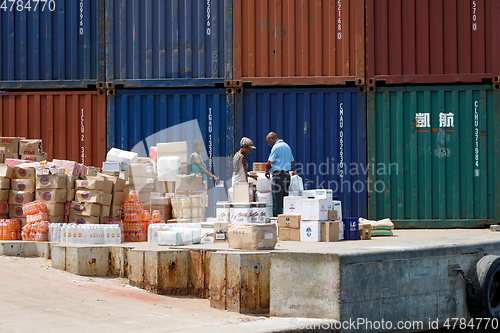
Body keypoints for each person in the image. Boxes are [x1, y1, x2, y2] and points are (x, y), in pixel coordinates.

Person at [265, 132, 295, 217]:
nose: (269, 144)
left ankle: (277, 222)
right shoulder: (287, 146)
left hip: (278, 176)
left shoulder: (276, 147)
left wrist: (267, 171)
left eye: (269, 141)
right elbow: (292, 163)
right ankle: (285, 221)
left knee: (277, 201)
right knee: (284, 200)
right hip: (286, 176)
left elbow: (269, 162)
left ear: (272, 139)